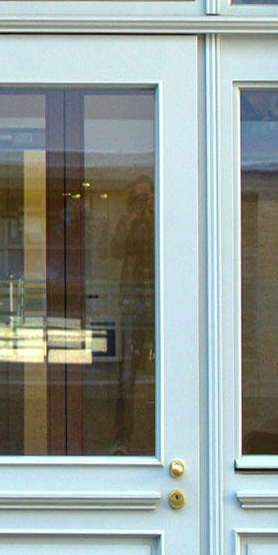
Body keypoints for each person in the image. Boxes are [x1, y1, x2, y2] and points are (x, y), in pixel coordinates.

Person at [110, 176, 155, 455]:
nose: (142, 202)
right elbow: (116, 250)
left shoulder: (162, 217)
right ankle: (123, 439)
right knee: (127, 375)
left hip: (163, 306)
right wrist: (133, 219)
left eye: (146, 197)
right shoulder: (129, 220)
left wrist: (151, 217)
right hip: (134, 306)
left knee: (169, 371)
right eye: (138, 198)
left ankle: (166, 437)